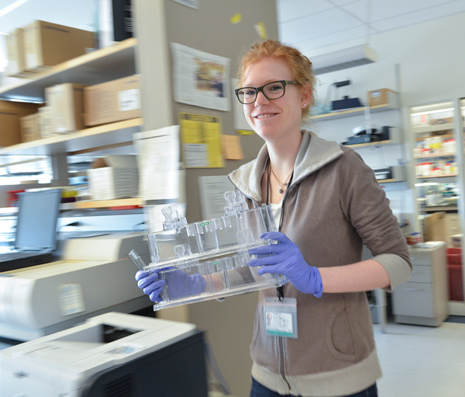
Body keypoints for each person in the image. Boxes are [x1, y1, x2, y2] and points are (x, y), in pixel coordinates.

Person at [136, 39, 412, 397]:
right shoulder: (244, 183)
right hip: (266, 374)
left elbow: (398, 263)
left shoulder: (343, 169)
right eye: (249, 92)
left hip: (338, 375)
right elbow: (250, 270)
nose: (259, 101)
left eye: (274, 88)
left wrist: (314, 278)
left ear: (304, 95)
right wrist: (196, 284)